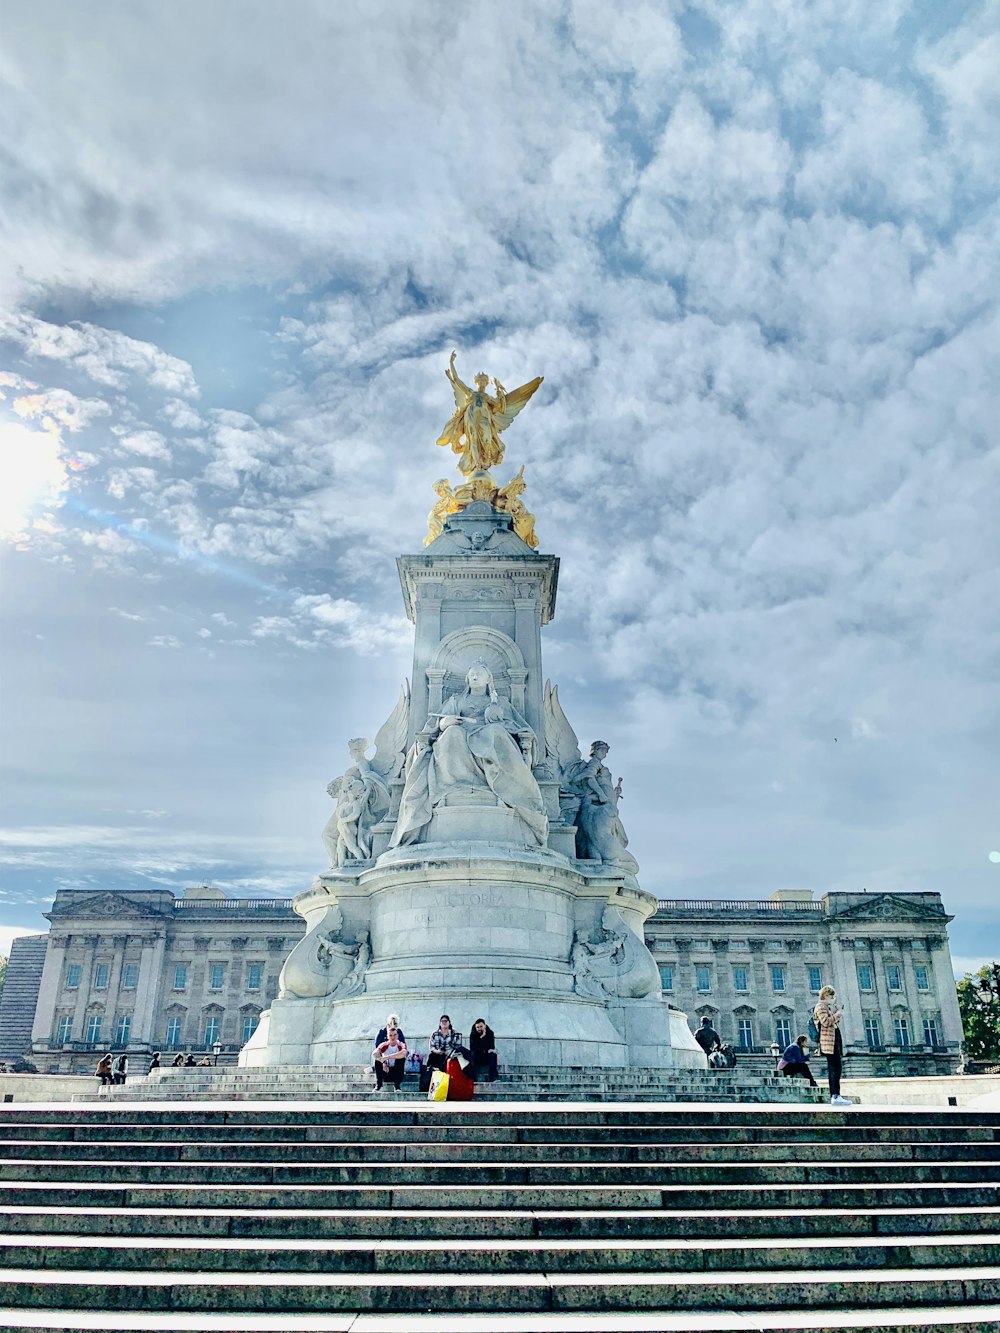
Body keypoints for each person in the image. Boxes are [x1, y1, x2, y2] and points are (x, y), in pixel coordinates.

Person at [391, 663, 547, 848]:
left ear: (489, 679)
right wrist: (444, 723)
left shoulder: (500, 702)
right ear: (467, 678)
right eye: (472, 673)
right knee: (451, 734)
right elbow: (435, 723)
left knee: (495, 732)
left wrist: (496, 715)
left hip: (489, 735)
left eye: (479, 673)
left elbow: (516, 725)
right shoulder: (456, 701)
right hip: (461, 736)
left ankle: (500, 785)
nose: (474, 676)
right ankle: (454, 786)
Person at [814, 986, 853, 1106]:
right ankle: (834, 1095)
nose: (833, 999)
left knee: (838, 1067)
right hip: (828, 1042)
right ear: (825, 996)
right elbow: (825, 1022)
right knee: (833, 1068)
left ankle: (837, 1095)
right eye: (831, 996)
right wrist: (837, 1014)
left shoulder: (827, 1007)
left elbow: (834, 1023)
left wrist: (836, 1013)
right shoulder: (820, 1007)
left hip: (834, 1039)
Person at [372, 1024, 408, 1092]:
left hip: (397, 1072)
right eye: (390, 1035)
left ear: (397, 1036)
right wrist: (383, 1062)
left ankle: (397, 1086)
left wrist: (387, 1057)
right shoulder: (384, 1045)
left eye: (394, 1035)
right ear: (387, 1036)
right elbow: (374, 1053)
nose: (393, 1037)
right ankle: (379, 1085)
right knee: (377, 1061)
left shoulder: (401, 1044)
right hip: (386, 1071)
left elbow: (403, 1053)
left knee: (401, 1059)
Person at [469, 1018, 498, 1082]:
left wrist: (484, 1038)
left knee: (493, 1055)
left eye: (481, 1026)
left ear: (485, 1026)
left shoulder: (490, 1033)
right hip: (477, 1057)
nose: (479, 1029)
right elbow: (473, 1048)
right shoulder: (473, 1034)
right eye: (477, 1027)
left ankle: (493, 1077)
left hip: (486, 1056)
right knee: (473, 1054)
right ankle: (472, 1077)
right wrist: (481, 1038)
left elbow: (491, 1047)